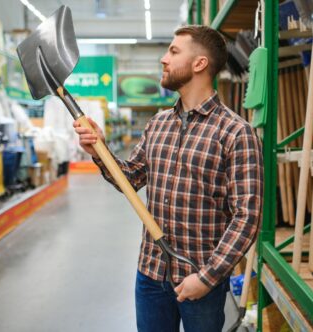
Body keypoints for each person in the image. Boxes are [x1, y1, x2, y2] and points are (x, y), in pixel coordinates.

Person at [73, 25, 263, 332]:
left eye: (173, 52)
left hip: (199, 278)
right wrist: (99, 150)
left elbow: (247, 217)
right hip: (150, 274)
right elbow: (131, 178)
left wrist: (207, 278)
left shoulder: (236, 133)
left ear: (200, 64)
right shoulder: (158, 123)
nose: (163, 58)